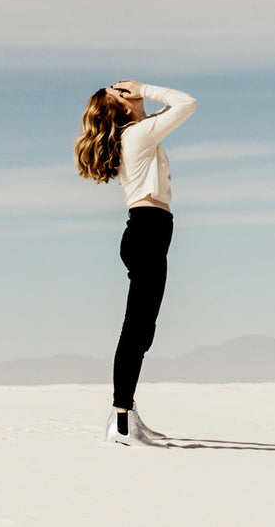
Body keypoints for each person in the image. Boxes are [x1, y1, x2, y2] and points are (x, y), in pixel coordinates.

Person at [73, 80, 197, 447]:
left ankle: (127, 415)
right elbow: (186, 102)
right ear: (124, 108)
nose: (129, 91)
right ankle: (121, 423)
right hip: (147, 234)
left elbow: (168, 112)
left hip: (148, 234)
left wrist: (140, 100)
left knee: (142, 332)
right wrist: (144, 87)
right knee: (136, 331)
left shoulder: (139, 133)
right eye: (122, 93)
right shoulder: (138, 135)